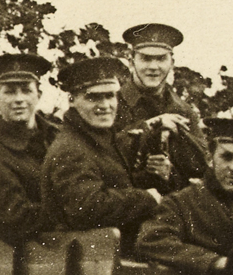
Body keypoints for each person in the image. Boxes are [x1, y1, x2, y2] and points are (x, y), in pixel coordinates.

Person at [135, 116, 233, 275]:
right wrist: (214, 262)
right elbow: (151, 241)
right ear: (210, 159)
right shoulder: (181, 204)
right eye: (226, 157)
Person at [41, 56, 162, 240]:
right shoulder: (71, 149)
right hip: (88, 257)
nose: (105, 106)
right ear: (72, 100)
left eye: (110, 95)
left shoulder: (98, 139)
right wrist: (146, 198)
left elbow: (114, 183)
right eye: (93, 97)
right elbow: (87, 208)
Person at [0, 54, 59, 245]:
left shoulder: (58, 137)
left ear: (39, 95)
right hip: (41, 258)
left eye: (26, 90)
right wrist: (73, 207)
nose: (19, 99)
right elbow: (15, 222)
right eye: (10, 92)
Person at [115, 23, 208, 189]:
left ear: (172, 63)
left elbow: (201, 169)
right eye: (145, 58)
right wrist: (150, 127)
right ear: (131, 61)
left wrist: (170, 173)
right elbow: (100, 159)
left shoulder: (183, 111)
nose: (153, 67)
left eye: (161, 59)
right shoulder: (113, 105)